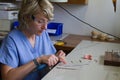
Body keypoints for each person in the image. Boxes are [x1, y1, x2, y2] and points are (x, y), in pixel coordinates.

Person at [0, 0, 66, 80]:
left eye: (47, 22)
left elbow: (47, 60)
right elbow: (7, 77)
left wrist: (56, 58)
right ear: (26, 18)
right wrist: (38, 60)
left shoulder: (42, 34)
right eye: (40, 22)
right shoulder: (11, 40)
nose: (45, 27)